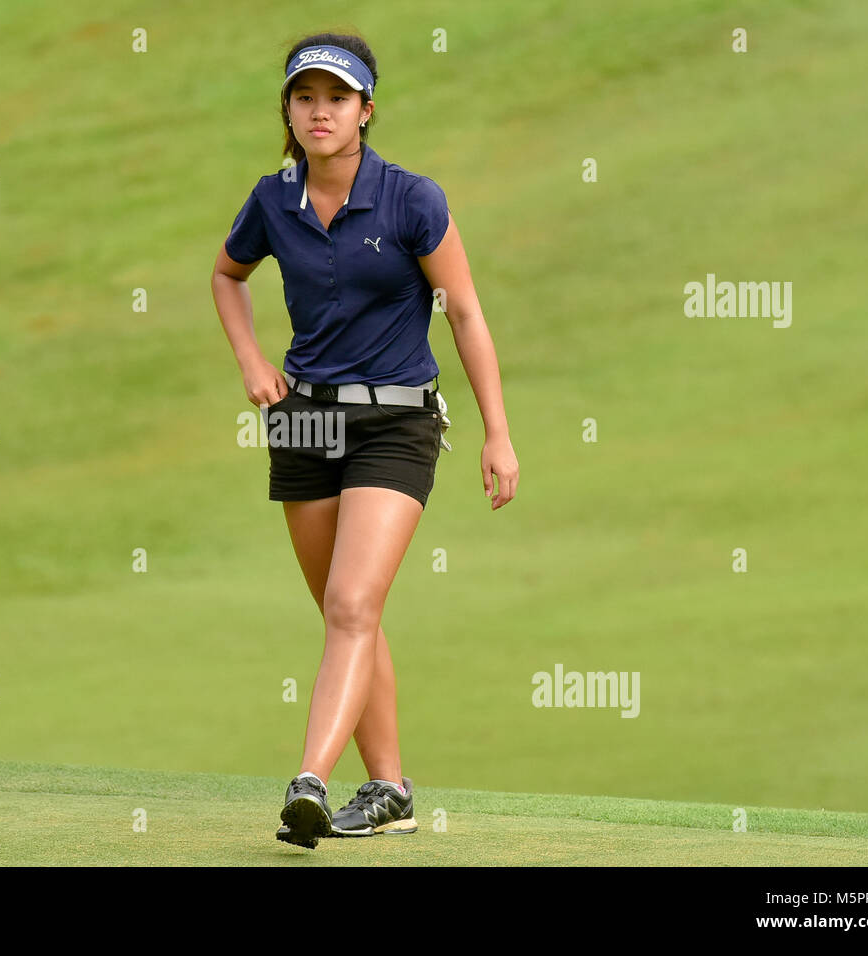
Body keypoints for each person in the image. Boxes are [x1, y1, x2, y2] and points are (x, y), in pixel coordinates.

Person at [210, 32, 519, 849]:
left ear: (366, 111)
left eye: (337, 99)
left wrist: (498, 431)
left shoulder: (413, 199)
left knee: (353, 604)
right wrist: (250, 360)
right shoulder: (272, 199)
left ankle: (307, 780)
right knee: (349, 612)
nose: (320, 112)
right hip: (305, 420)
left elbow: (467, 314)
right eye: (305, 97)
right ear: (287, 108)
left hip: (396, 420)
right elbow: (227, 275)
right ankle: (389, 790)